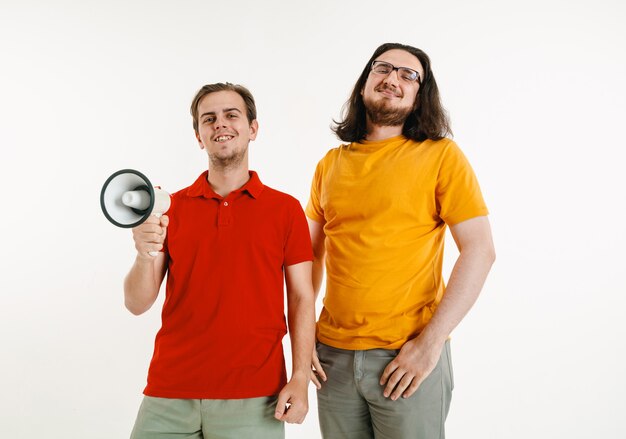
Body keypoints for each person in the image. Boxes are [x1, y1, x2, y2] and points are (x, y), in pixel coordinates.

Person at [306, 43, 496, 438]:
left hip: (405, 358)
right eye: (383, 68)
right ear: (364, 84)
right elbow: (308, 256)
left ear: (420, 95)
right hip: (332, 360)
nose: (392, 78)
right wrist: (304, 334)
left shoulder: (441, 156)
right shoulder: (330, 164)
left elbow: (480, 250)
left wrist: (429, 346)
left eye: (408, 75)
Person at [124, 82, 315, 439]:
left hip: (255, 396)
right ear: (198, 136)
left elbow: (302, 297)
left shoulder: (286, 210)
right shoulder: (172, 207)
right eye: (208, 119)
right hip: (169, 391)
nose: (220, 124)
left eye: (231, 115)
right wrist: (142, 254)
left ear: (252, 128)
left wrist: (300, 376)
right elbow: (136, 303)